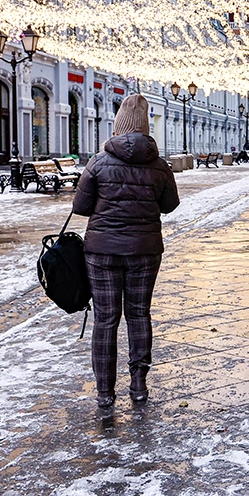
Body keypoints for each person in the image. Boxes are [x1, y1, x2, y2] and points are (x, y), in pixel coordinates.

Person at [73, 94, 179, 410]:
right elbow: (170, 205)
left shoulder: (97, 162)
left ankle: (105, 391)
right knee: (138, 314)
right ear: (146, 129)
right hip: (145, 250)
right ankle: (138, 385)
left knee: (105, 319)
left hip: (101, 252)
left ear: (118, 127)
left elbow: (80, 207)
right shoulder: (160, 165)